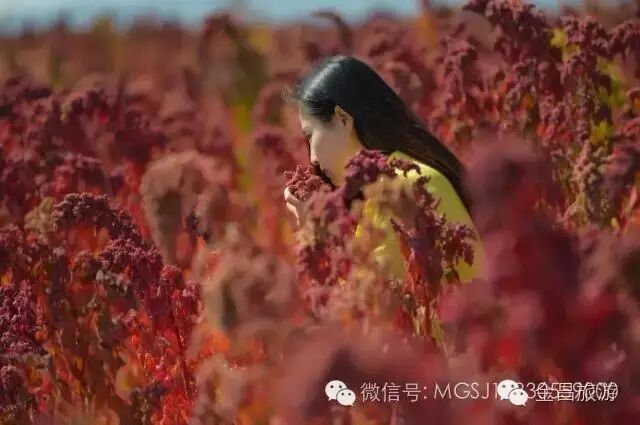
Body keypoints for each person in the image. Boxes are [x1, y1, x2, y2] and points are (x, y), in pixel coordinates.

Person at [282, 55, 485, 283]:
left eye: (310, 136)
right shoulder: (388, 185)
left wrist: (316, 236)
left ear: (342, 118)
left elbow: (365, 300)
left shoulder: (403, 189)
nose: (312, 159)